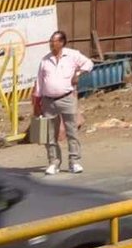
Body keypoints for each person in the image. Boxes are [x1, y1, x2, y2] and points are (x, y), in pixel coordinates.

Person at [35, 30, 94, 175]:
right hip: (48, 101)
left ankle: (74, 162)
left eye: (53, 41)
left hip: (67, 98)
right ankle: (54, 162)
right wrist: (37, 102)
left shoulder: (72, 55)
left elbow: (89, 63)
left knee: (71, 131)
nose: (51, 44)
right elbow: (40, 82)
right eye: (50, 41)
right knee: (49, 135)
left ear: (61, 42)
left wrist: (78, 73)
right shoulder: (45, 60)